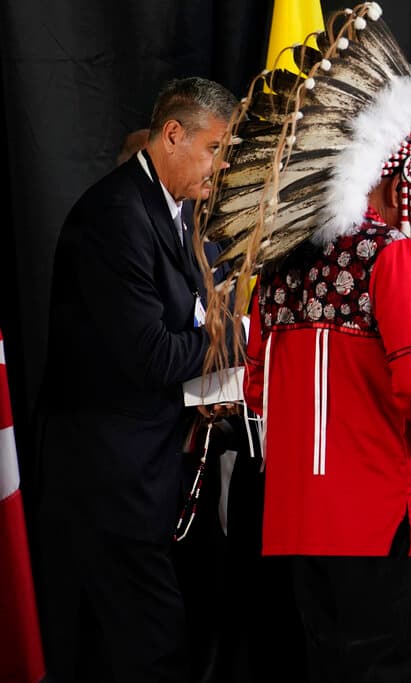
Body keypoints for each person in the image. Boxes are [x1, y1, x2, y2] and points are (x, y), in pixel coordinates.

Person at [198, 6, 411, 682]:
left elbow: (257, 387)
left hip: (298, 518)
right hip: (375, 516)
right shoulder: (390, 255)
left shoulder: (279, 264)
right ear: (395, 177)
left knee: (321, 668)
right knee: (377, 667)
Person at [36, 76, 238, 682]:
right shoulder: (116, 214)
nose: (219, 167)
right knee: (146, 649)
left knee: (155, 642)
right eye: (214, 149)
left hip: (147, 469)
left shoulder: (168, 209)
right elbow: (151, 354)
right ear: (173, 134)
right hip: (109, 479)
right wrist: (237, 339)